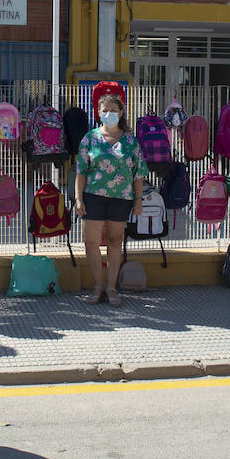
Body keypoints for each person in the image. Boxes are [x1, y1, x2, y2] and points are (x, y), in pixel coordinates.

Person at [73, 94, 147, 307]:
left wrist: (139, 200)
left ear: (121, 112)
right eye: (105, 110)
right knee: (91, 243)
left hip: (121, 199)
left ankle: (112, 288)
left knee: (115, 242)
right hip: (94, 197)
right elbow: (81, 171)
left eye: (114, 110)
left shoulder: (131, 141)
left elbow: (138, 173)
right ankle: (98, 287)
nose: (109, 114)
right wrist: (78, 199)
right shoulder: (90, 138)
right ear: (98, 112)